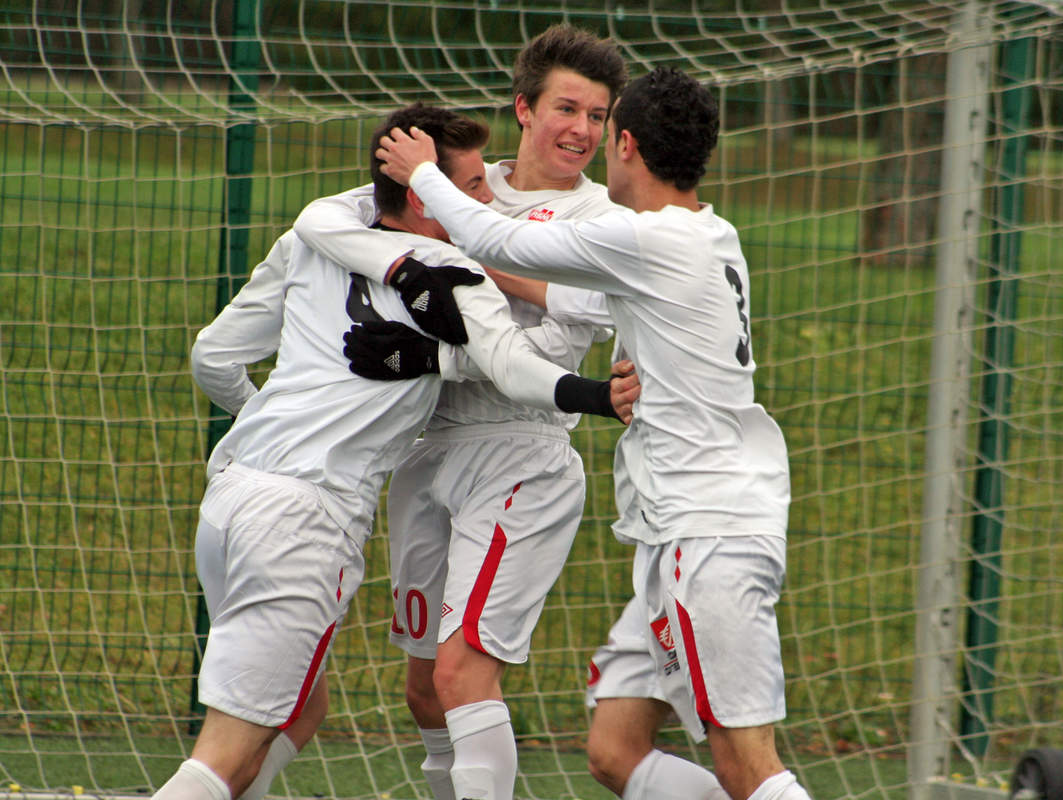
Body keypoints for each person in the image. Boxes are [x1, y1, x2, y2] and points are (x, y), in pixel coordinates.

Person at [164, 104, 637, 800]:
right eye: (474, 187)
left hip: (234, 496)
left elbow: (213, 357)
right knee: (223, 759)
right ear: (423, 192)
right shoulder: (452, 269)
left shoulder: (317, 235)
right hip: (305, 521)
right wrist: (597, 396)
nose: (487, 200)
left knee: (301, 710)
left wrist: (273, 418)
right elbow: (512, 366)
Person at [367, 66, 813, 800]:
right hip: (685, 532)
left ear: (626, 144)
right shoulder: (707, 234)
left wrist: (424, 175)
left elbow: (488, 232)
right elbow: (556, 287)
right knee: (615, 749)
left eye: (602, 124)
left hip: (708, 536)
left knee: (746, 768)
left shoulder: (646, 240)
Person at [286, 23, 628, 800]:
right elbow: (328, 219)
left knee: (462, 670)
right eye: (567, 108)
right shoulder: (464, 178)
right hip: (423, 445)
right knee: (424, 690)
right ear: (524, 109)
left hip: (520, 451)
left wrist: (459, 279)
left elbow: (559, 336)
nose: (581, 130)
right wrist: (410, 246)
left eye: (598, 116)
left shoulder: (601, 221)